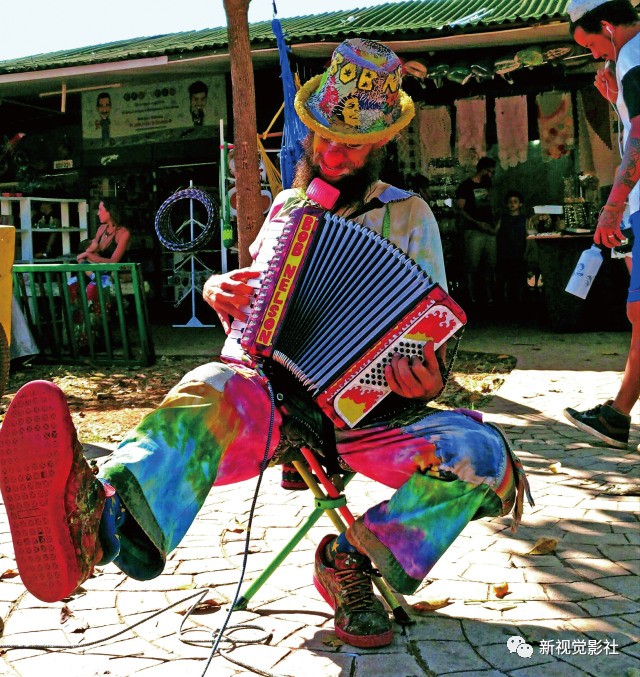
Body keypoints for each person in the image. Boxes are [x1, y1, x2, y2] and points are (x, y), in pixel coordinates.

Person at [0, 39, 531, 649]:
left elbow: (437, 339)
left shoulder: (410, 217)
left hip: (369, 418)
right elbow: (252, 298)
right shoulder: (287, 207)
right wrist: (214, 286)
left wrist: (430, 382)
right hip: (274, 403)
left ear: (380, 143)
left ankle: (350, 560)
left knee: (482, 451)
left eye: (350, 144)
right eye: (322, 137)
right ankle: (102, 514)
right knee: (212, 385)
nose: (331, 153)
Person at [563, 0, 640, 449]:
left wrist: (612, 206)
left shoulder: (631, 57)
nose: (593, 54)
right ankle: (617, 413)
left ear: (608, 27)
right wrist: (617, 102)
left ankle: (617, 414)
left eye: (591, 42)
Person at [69, 198, 131, 341]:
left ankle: (92, 339)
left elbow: (113, 262)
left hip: (112, 274)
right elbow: (92, 250)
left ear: (111, 211)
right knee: (71, 286)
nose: (98, 213)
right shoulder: (101, 229)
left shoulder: (123, 233)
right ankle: (74, 338)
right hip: (96, 272)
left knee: (93, 289)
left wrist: (87, 255)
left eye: (101, 209)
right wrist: (87, 255)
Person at [455, 157, 498, 306]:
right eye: (491, 172)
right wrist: (477, 223)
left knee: (490, 264)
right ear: (484, 170)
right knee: (472, 265)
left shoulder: (487, 185)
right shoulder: (466, 186)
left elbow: (489, 206)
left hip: (487, 229)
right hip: (474, 230)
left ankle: (488, 296)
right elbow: (460, 209)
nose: (492, 175)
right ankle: (471, 297)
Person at [495, 190, 528, 313]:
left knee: (518, 281)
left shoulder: (524, 219)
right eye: (510, 202)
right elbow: (495, 232)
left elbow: (528, 235)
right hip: (504, 254)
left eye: (515, 202)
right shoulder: (502, 219)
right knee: (504, 280)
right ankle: (505, 307)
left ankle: (519, 307)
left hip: (519, 253)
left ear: (520, 204)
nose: (512, 204)